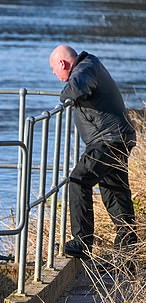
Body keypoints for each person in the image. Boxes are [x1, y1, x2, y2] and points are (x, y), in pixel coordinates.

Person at [49, 45, 137, 257]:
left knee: (78, 180)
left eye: (54, 69)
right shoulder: (91, 63)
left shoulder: (84, 70)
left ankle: (82, 242)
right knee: (113, 191)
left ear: (63, 64)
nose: (54, 73)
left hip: (108, 140)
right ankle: (128, 250)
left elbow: (78, 88)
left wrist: (66, 95)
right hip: (117, 138)